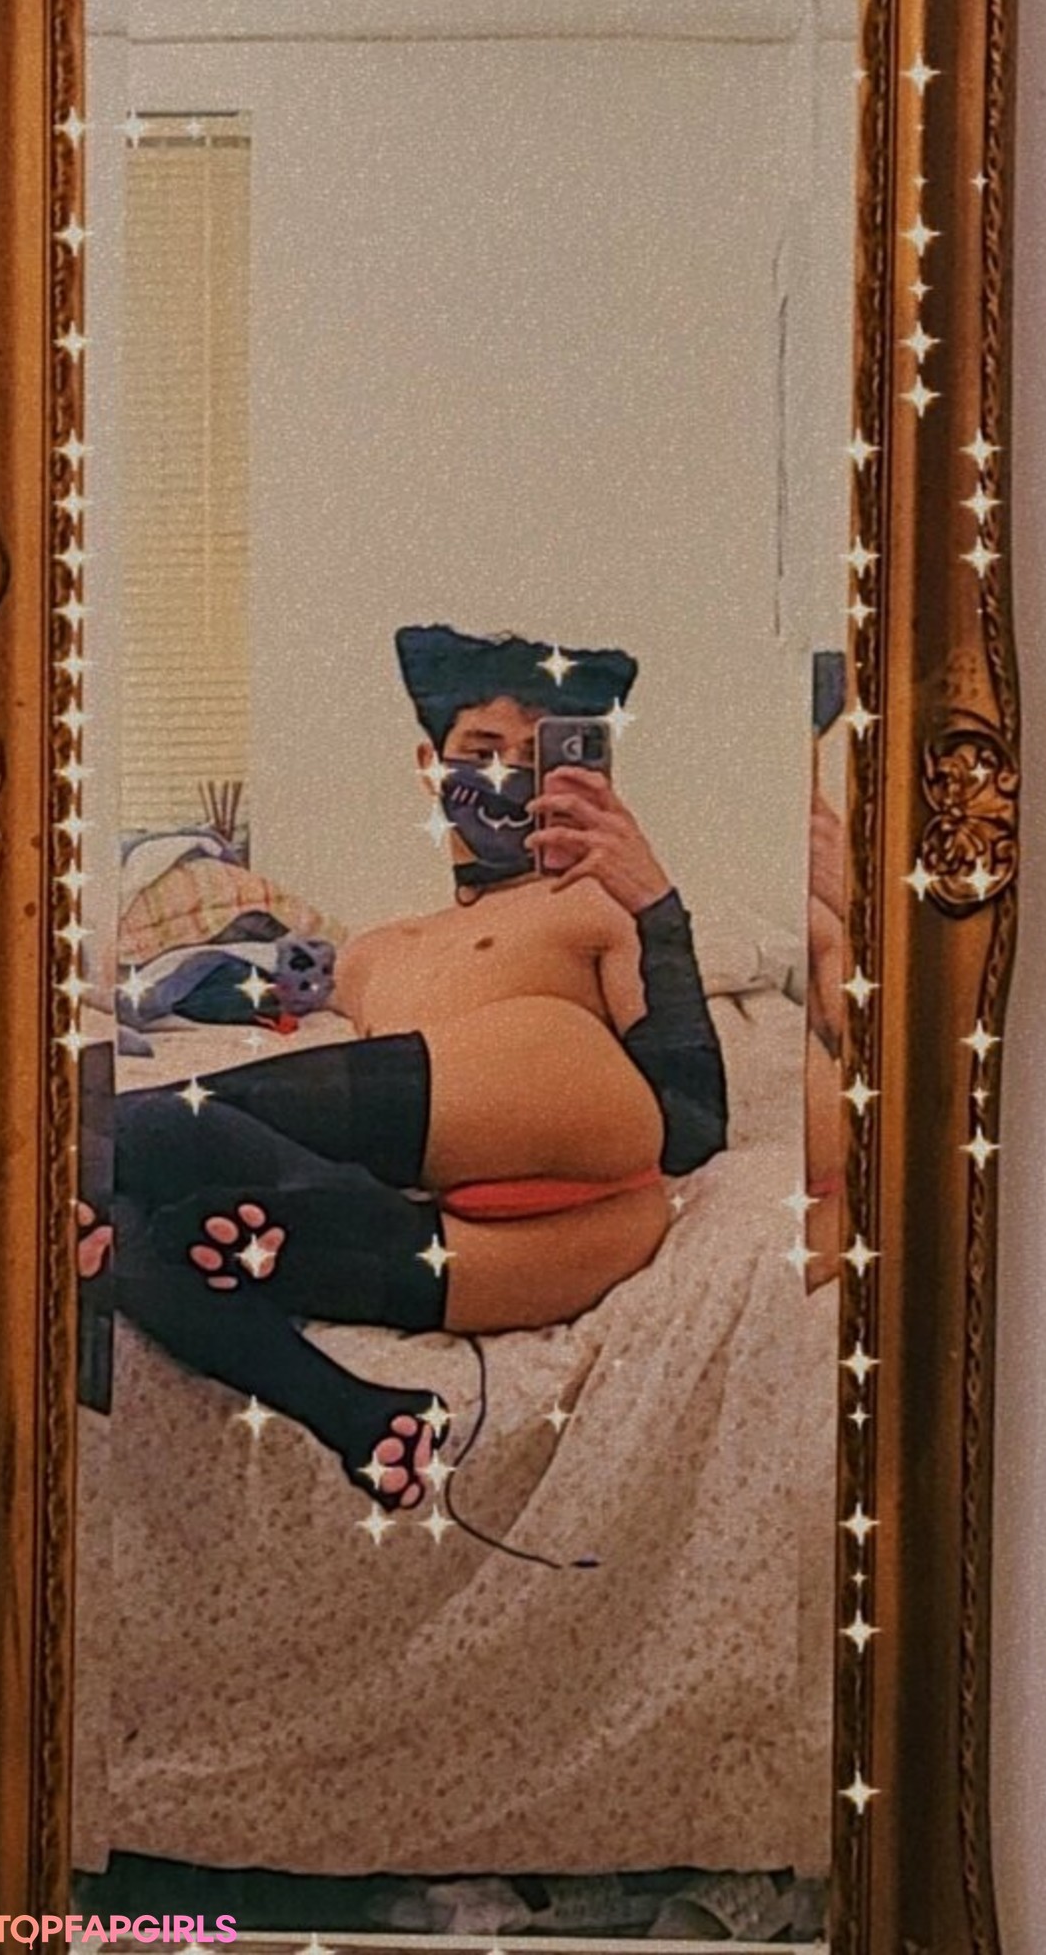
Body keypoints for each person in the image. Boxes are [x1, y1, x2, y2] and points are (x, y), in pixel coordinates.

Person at [81, 626, 728, 1513]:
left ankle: (89, 1159)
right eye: (482, 749)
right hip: (467, 1246)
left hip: (592, 1183)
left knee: (135, 1127)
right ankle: (363, 1414)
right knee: (137, 1237)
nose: (505, 777)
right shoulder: (373, 956)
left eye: (533, 755)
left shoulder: (593, 903)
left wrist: (654, 898)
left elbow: (692, 1124)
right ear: (431, 766)